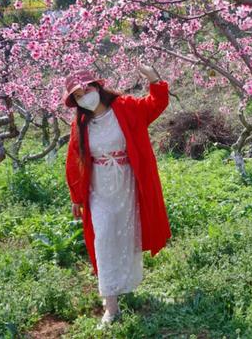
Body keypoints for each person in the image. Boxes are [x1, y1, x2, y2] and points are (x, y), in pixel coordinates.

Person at [62, 63, 172, 326]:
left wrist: (154, 78)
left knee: (126, 234)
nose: (84, 96)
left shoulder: (126, 108)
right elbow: (73, 159)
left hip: (128, 182)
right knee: (104, 236)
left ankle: (124, 287)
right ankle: (111, 306)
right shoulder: (81, 124)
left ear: (98, 86)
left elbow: (157, 103)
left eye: (87, 89)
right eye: (78, 95)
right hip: (98, 186)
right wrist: (77, 196)